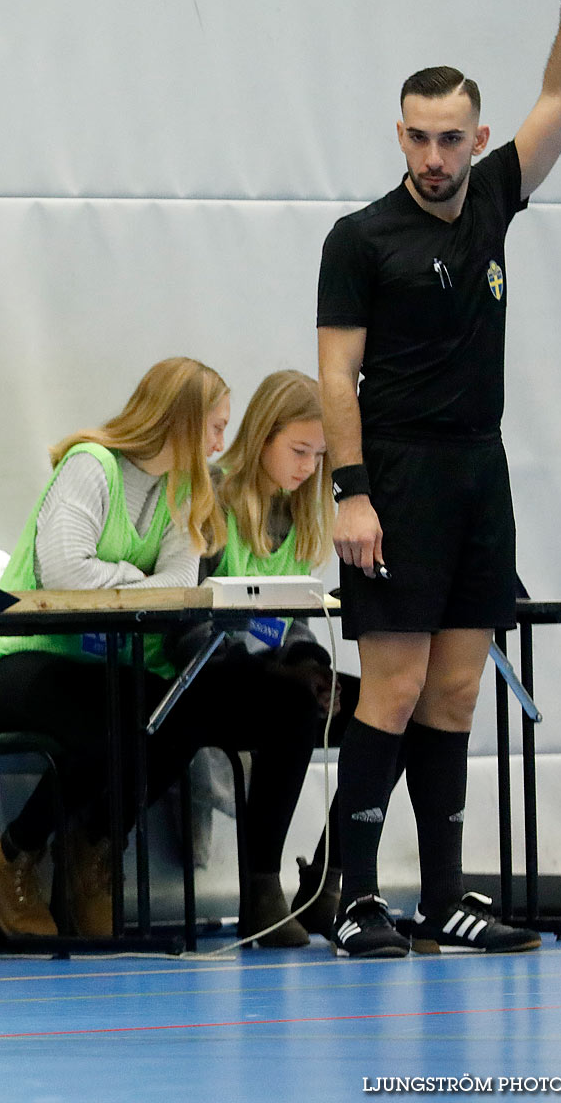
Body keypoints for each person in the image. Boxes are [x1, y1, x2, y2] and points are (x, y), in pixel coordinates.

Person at [316, 0, 561, 958]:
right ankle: (354, 898)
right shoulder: (358, 240)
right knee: (389, 688)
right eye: (418, 138)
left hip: (482, 473)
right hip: (392, 476)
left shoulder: (492, 206)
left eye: (452, 139)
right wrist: (351, 491)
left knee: (456, 687)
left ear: (477, 142)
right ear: (399, 137)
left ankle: (444, 900)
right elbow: (335, 374)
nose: (435, 157)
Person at [0, 357, 328, 941]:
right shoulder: (91, 465)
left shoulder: (187, 491)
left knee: (170, 714)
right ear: (177, 422)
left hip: (109, 664)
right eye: (213, 427)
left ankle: (85, 855)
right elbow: (64, 571)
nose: (220, 444)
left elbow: (179, 586)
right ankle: (12, 857)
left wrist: (119, 575)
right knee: (116, 720)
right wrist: (137, 576)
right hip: (18, 659)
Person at [193, 369, 353, 946]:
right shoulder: (211, 498)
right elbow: (191, 622)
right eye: (299, 450)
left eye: (319, 455)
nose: (308, 467)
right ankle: (262, 887)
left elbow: (292, 620)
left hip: (271, 671)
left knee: (389, 706)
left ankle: (332, 874)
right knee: (292, 703)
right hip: (211, 674)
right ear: (262, 437)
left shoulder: (299, 512)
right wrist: (284, 671)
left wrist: (311, 662)